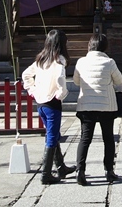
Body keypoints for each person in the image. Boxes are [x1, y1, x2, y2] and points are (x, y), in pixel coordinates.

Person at [22, 29, 75, 185]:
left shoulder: (40, 60)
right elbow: (60, 77)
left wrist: (32, 90)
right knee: (52, 137)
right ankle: (45, 174)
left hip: (40, 102)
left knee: (53, 134)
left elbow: (26, 74)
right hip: (52, 103)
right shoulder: (59, 60)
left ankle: (61, 167)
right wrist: (61, 93)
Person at [73, 33, 122, 186]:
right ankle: (109, 171)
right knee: (108, 139)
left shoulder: (81, 62)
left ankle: (80, 170)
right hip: (106, 106)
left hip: (86, 105)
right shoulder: (109, 62)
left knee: (85, 138)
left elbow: (76, 81)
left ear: (90, 45)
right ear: (104, 47)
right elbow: (119, 80)